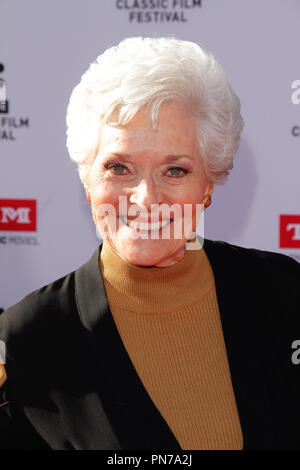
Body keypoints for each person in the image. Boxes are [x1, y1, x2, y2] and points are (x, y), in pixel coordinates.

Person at [0, 36, 299, 450]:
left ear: (209, 183)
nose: (145, 199)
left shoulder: (283, 294)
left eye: (174, 171)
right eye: (118, 167)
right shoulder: (28, 336)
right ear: (87, 180)